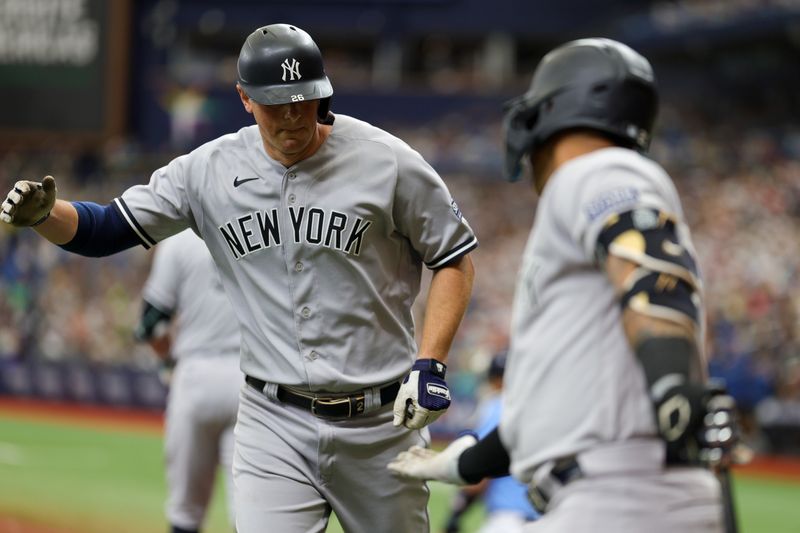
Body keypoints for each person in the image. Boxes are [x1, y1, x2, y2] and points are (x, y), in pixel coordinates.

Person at [0, 23, 477, 533]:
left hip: (382, 425)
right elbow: (107, 228)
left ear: (324, 94)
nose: (293, 115)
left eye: (305, 99)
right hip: (274, 423)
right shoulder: (208, 170)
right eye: (276, 103)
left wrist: (431, 362)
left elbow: (453, 255)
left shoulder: (390, 162)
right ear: (245, 99)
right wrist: (46, 217)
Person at [388, 38, 739, 533]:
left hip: (619, 496)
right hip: (619, 492)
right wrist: (460, 465)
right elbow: (553, 411)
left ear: (552, 109)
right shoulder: (589, 201)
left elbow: (647, 264)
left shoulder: (594, 170)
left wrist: (674, 386)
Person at [134, 229, 241, 533]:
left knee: (185, 512)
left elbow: (151, 324)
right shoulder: (261, 225)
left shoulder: (179, 242)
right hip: (252, 380)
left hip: (195, 374)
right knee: (250, 512)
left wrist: (168, 363)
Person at [441, 351, 538, 533]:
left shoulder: (497, 406)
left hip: (509, 520)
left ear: (494, 379)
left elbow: (482, 468)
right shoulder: (537, 407)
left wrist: (457, 513)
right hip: (548, 518)